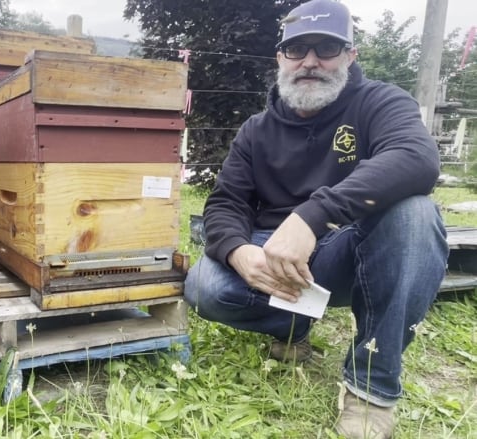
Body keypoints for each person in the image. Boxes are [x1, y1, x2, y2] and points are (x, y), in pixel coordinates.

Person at [183, 0, 448, 438]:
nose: (310, 61)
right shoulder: (255, 130)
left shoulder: (380, 102)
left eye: (326, 48)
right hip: (272, 259)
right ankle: (295, 323)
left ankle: (371, 387)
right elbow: (225, 202)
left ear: (350, 55)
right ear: (280, 58)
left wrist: (311, 217)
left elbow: (416, 158)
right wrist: (238, 251)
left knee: (415, 214)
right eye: (297, 49)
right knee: (203, 285)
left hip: (348, 251)